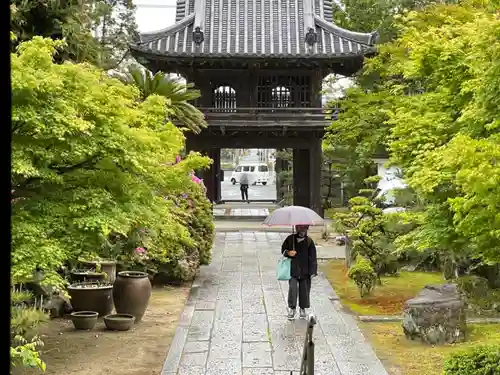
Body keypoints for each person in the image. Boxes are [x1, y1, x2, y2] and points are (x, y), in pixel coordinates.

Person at [281, 225, 318, 320]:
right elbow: (283, 250)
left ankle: (302, 308)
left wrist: (313, 271)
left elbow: (313, 257)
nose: (302, 231)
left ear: (306, 229)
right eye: (300, 228)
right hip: (293, 269)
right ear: (297, 229)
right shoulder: (290, 239)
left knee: (304, 290)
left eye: (304, 229)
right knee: (293, 289)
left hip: (305, 271)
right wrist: (288, 253)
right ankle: (292, 308)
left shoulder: (309, 241)